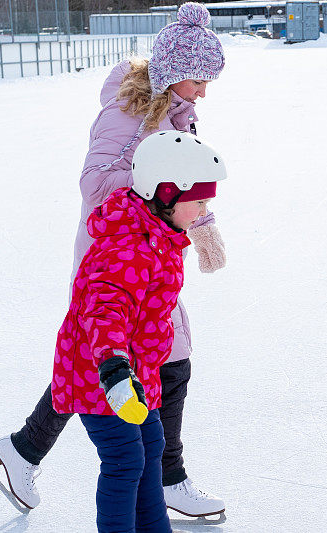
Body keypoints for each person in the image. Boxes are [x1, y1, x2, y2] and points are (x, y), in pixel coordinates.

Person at [0, 2, 227, 518]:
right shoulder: (129, 113)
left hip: (151, 248)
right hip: (114, 251)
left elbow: (180, 186)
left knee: (106, 356)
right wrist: (152, 161)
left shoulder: (176, 112)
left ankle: (24, 448)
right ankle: (168, 477)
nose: (204, 92)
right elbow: (96, 185)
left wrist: (198, 219)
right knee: (151, 357)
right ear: (171, 74)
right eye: (198, 80)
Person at [52, 131, 226, 532]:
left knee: (151, 450)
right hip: (99, 374)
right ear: (166, 193)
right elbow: (104, 310)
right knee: (124, 461)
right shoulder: (129, 244)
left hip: (137, 375)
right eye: (199, 201)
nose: (204, 211)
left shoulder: (159, 236)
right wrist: (114, 369)